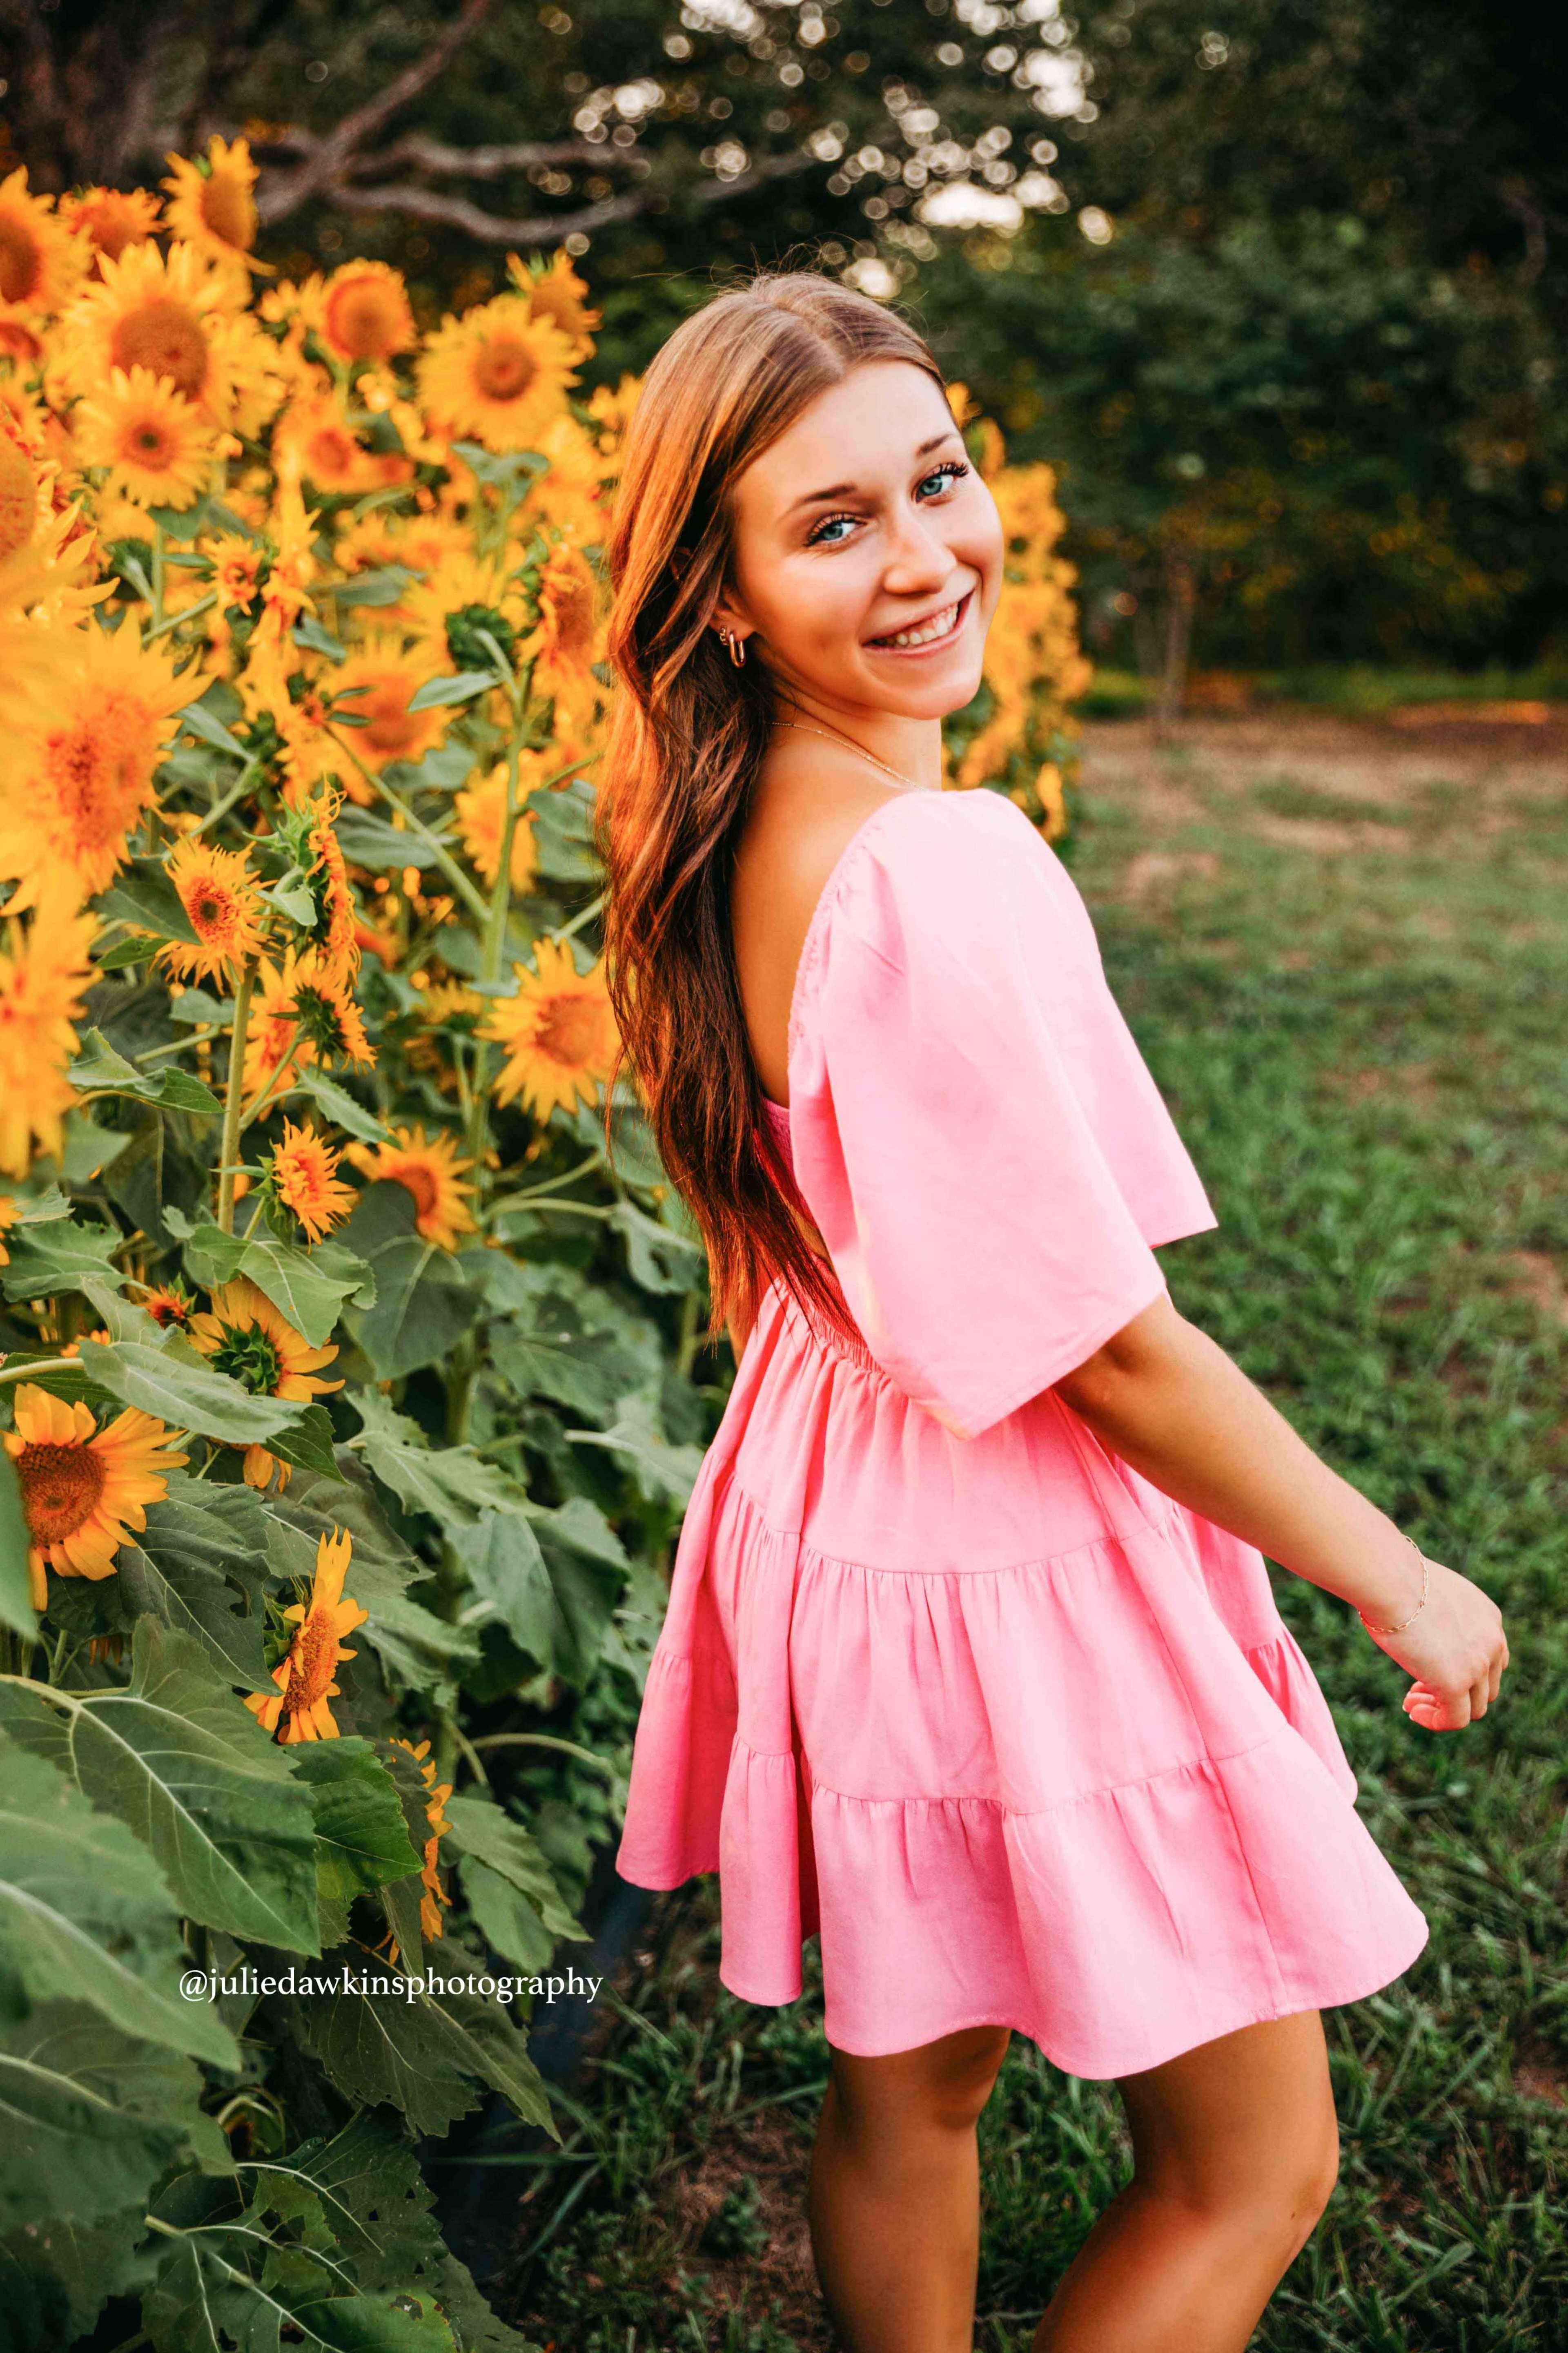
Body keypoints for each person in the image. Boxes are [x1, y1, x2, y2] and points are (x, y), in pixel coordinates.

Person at [595, 269, 1508, 2353]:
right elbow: (1105, 1348)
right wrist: (1399, 1575)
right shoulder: (937, 867)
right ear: (723, 593)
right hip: (1010, 1556)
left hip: (844, 1530)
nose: (927, 558)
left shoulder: (732, 834)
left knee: (909, 2085)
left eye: (937, 479)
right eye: (833, 526)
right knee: (1251, 2166)